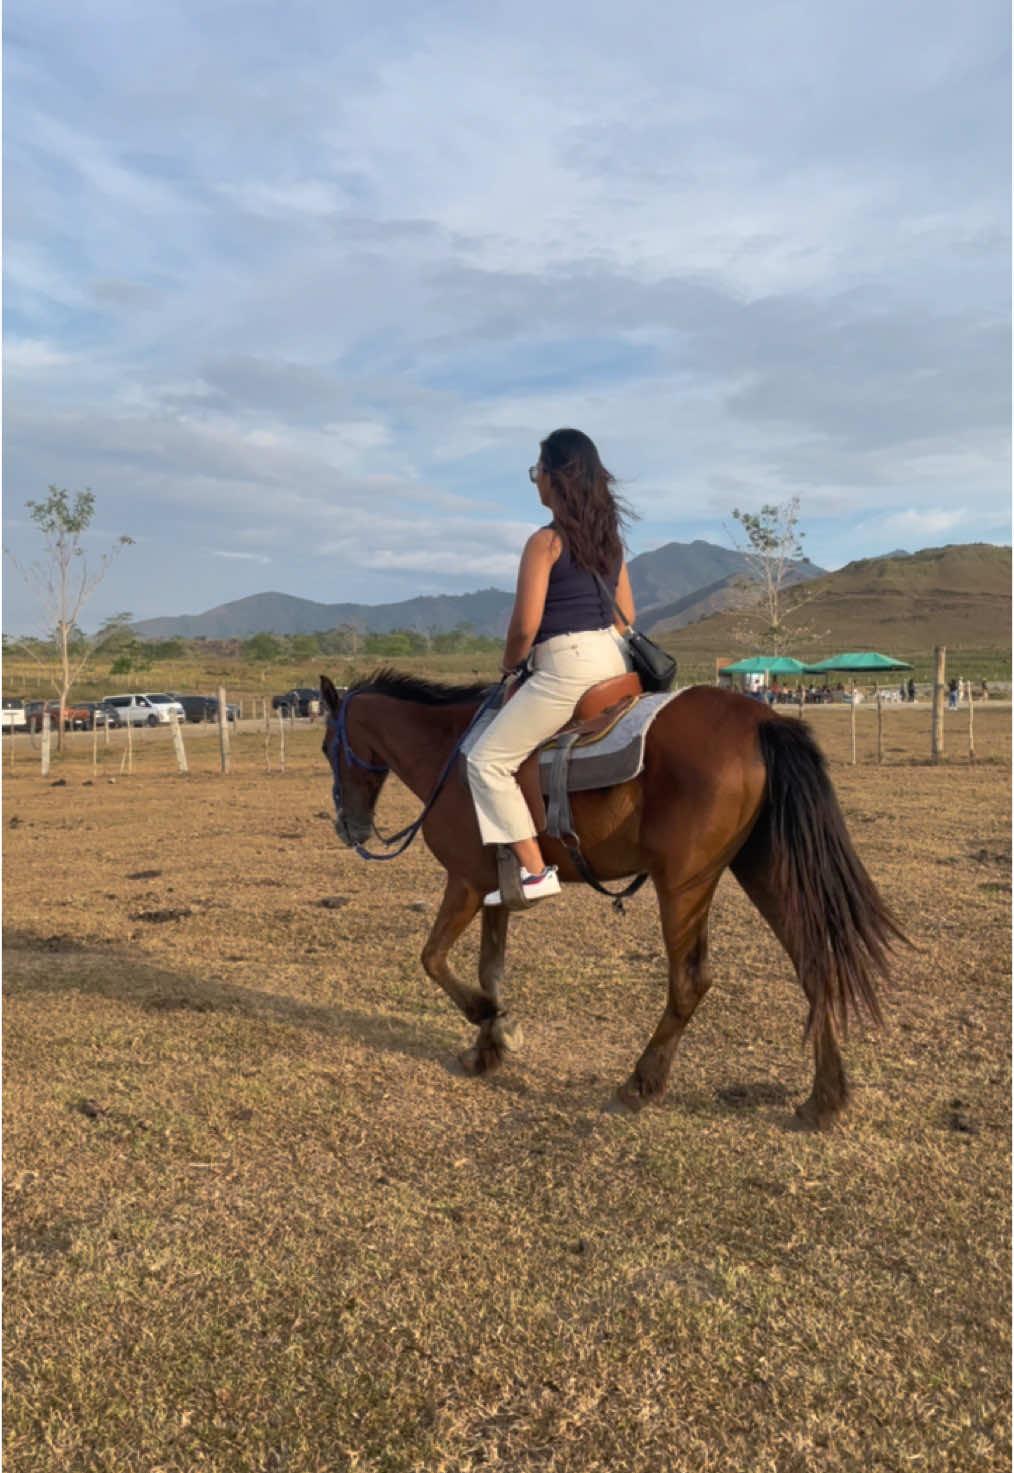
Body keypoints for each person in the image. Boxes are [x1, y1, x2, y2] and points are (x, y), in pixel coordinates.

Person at [466, 428, 635, 907]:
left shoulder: (545, 542)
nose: (535, 481)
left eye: (536, 471)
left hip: (567, 665)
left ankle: (536, 871)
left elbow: (524, 625)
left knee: (486, 760)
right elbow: (628, 616)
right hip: (612, 660)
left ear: (556, 478)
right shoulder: (611, 544)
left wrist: (510, 666)